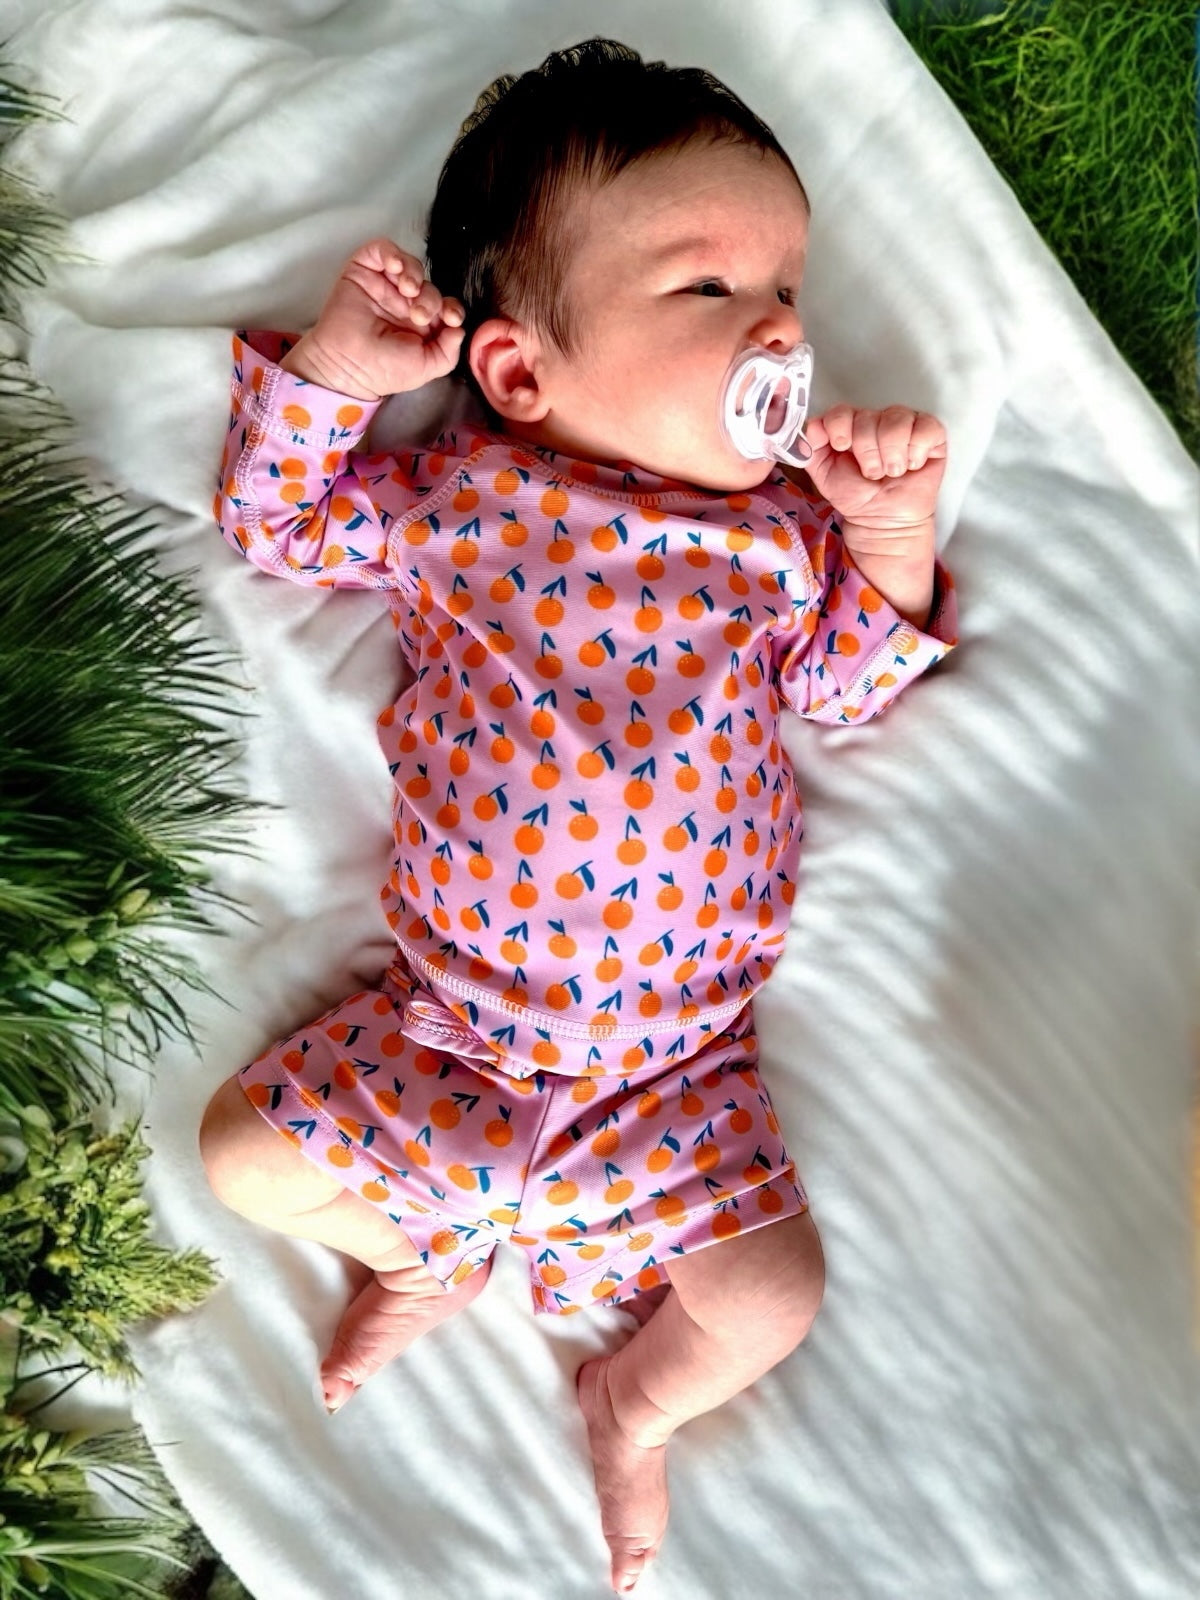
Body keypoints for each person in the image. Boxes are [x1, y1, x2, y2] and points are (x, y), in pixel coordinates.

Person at [198, 36, 957, 1595]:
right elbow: (274, 521)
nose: (778, 329)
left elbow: (845, 689)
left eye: (789, 292)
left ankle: (636, 1405)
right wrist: (344, 368)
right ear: (520, 372)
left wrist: (889, 524)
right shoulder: (462, 503)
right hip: (448, 1036)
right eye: (707, 291)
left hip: (678, 1078)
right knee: (238, 1157)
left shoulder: (783, 539)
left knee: (766, 1298)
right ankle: (423, 1252)